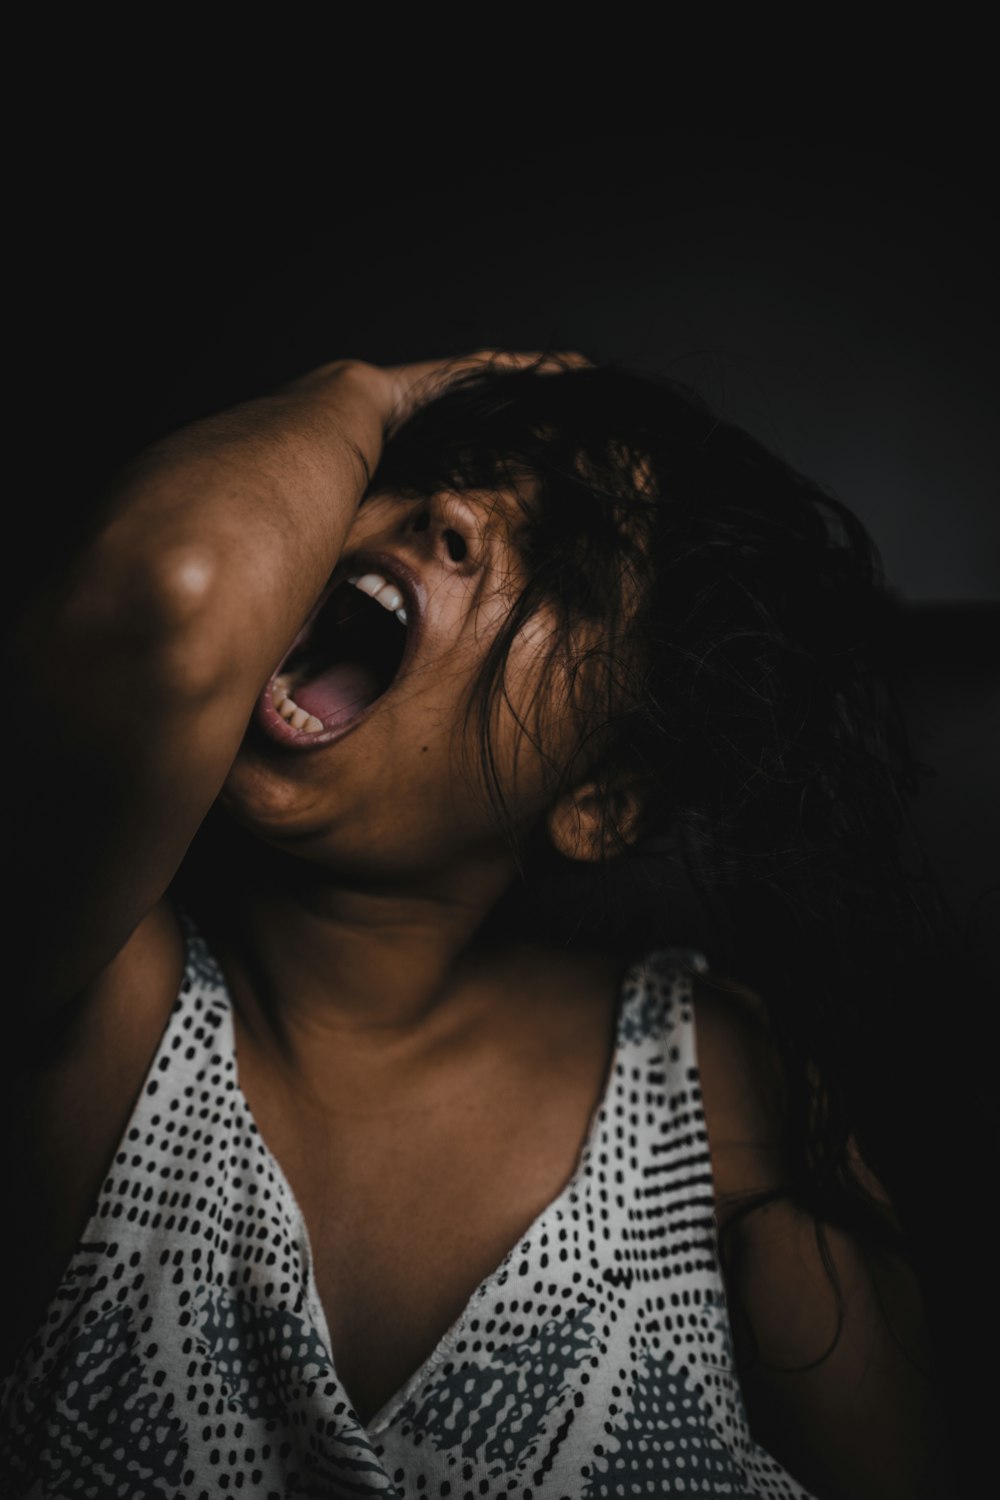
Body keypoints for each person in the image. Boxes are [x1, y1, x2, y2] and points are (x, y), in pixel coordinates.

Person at [0, 349, 974, 1498]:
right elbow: (170, 607)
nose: (449, 509)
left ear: (599, 804)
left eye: (563, 562)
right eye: (433, 469)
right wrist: (364, 396)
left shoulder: (716, 1079)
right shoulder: (88, 999)